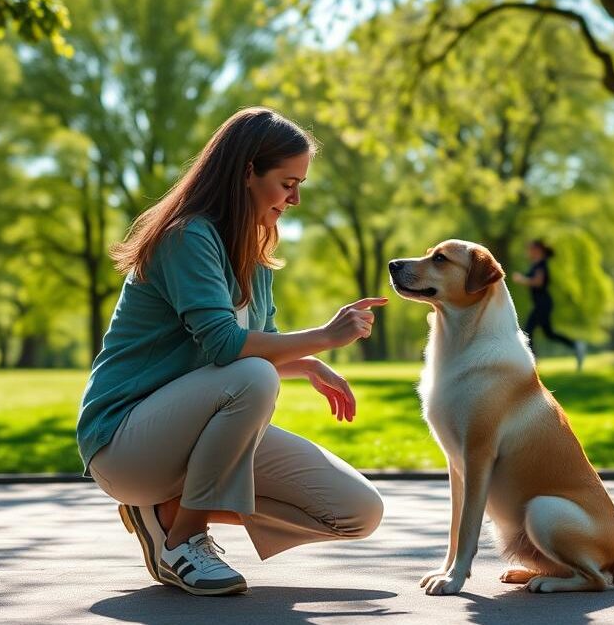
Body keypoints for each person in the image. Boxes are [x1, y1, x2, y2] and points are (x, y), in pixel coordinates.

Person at [76, 107, 387, 597]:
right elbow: (226, 347)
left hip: (192, 435)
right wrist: (326, 336)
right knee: (256, 380)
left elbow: (258, 345)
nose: (296, 198)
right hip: (126, 442)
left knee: (358, 511)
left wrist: (306, 362)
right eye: (288, 183)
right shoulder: (188, 236)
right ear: (247, 172)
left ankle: (165, 510)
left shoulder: (254, 249)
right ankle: (182, 540)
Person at [511, 239, 586, 370]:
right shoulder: (537, 264)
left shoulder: (541, 265)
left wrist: (522, 279)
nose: (528, 252)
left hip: (543, 304)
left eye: (530, 249)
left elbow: (538, 282)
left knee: (528, 330)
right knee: (548, 333)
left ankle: (532, 362)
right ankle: (576, 345)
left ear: (538, 250)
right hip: (541, 304)